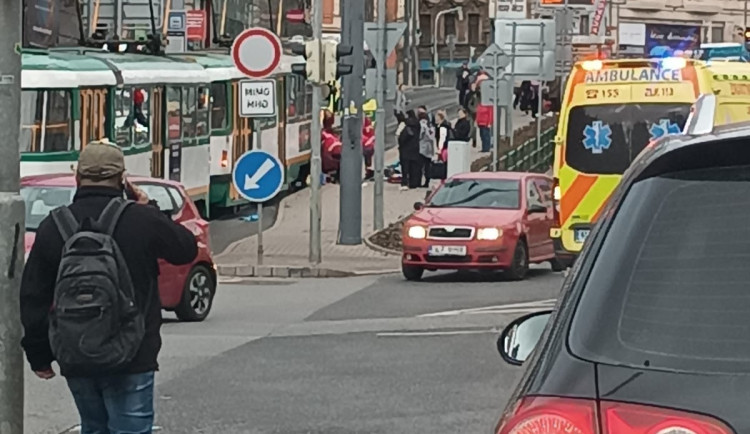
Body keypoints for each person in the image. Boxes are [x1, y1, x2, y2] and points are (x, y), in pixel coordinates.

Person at [20, 140, 199, 434]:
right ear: (122, 180)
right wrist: (149, 206)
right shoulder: (142, 219)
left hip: (76, 353)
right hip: (133, 353)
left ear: (78, 177)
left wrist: (39, 356)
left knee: (93, 427)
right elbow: (186, 249)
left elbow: (33, 296)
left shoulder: (55, 225)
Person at [398, 110, 422, 190]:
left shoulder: (406, 126)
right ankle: (413, 183)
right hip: (415, 149)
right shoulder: (418, 125)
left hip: (405, 150)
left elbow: (402, 138)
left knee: (405, 168)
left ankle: (405, 182)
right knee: (414, 167)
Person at [418, 111, 436, 188]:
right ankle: (427, 182)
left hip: (422, 148)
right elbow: (432, 137)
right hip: (429, 148)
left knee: (420, 166)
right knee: (427, 166)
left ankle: (420, 181)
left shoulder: (422, 125)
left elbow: (420, 136)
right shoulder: (431, 126)